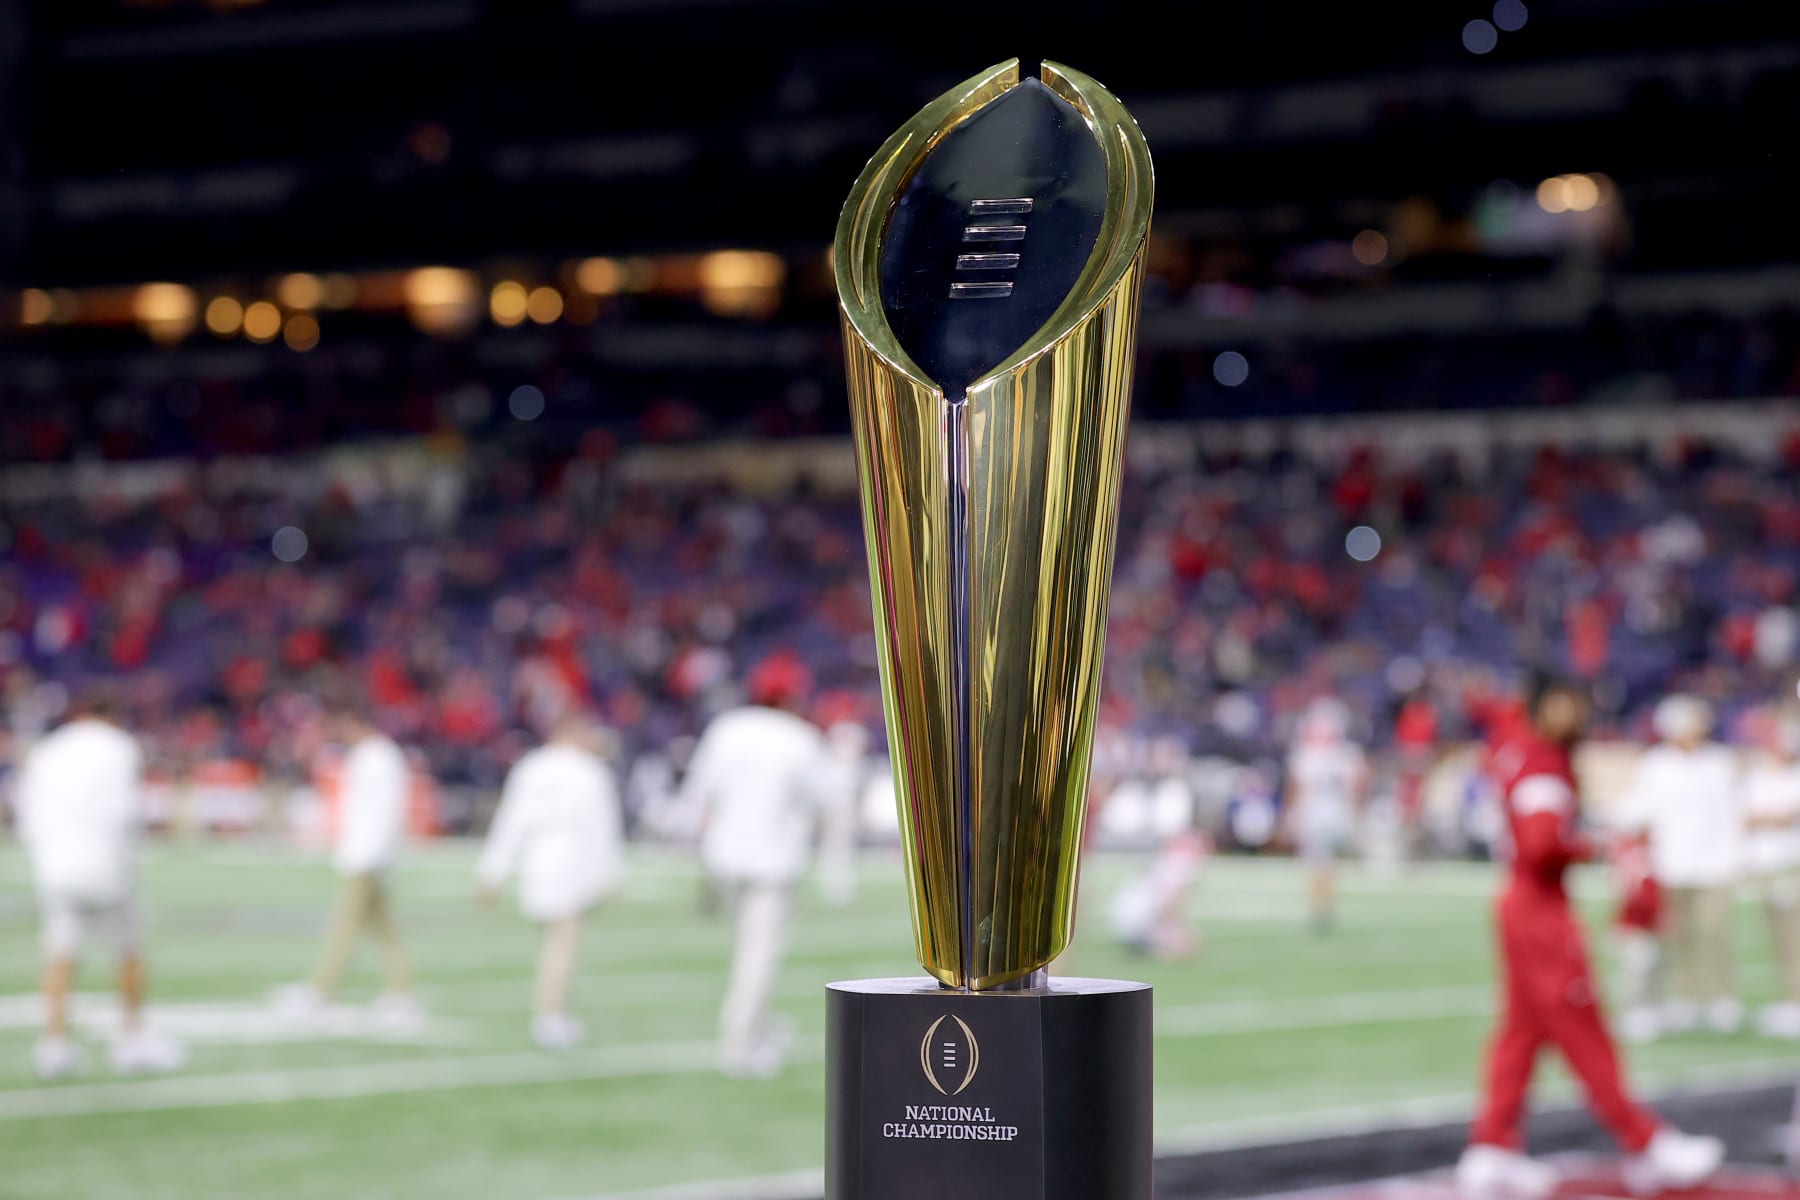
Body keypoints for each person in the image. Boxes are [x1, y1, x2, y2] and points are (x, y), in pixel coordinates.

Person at [1456, 678, 1722, 1199]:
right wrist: (1595, 844)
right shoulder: (1541, 759)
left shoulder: (1521, 751)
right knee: (1583, 1030)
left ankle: (1491, 1146)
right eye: (1564, 705)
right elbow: (1540, 845)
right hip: (1540, 912)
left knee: (1521, 1034)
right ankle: (1647, 1141)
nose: (1574, 716)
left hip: (1523, 905)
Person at [16, 695, 184, 1080]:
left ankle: (55, 1045)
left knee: (60, 952)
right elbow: (124, 812)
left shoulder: (48, 750)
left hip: (55, 865)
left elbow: (30, 813)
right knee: (128, 951)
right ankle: (132, 1040)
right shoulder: (119, 748)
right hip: (106, 865)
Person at [682, 659, 830, 1078]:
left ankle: (761, 1026)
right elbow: (825, 798)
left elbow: (700, 790)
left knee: (746, 951)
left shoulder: (727, 727)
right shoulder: (799, 738)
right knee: (758, 956)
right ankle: (739, 1043)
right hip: (772, 863)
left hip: (723, 859)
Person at [476, 711, 625, 1050]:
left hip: (537, 864)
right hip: (572, 866)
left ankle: (557, 1010)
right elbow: (604, 828)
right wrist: (610, 874)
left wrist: (492, 872)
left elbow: (510, 823)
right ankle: (551, 1015)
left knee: (554, 944)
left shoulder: (531, 767)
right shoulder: (590, 771)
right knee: (563, 945)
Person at [278, 704, 421, 1026]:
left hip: (368, 855)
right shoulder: (369, 756)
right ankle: (401, 993)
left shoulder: (380, 757)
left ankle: (321, 989)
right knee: (385, 930)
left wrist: (376, 855)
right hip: (365, 853)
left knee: (344, 926)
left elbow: (387, 811)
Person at [1620, 695, 1745, 1034]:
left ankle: (1720, 997)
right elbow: (1639, 811)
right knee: (1678, 937)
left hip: (1714, 864)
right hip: (1670, 865)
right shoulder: (1655, 765)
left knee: (1714, 933)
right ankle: (1686, 997)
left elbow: (1733, 812)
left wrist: (1735, 857)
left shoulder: (1719, 762)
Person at [1284, 699, 1366, 932]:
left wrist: (1291, 815)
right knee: (1328, 865)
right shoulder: (1347, 755)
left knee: (1316, 865)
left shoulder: (1309, 755)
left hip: (1316, 815)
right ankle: (1325, 906)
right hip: (1337, 815)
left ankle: (1318, 907)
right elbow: (1357, 789)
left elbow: (1297, 789)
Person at [1745, 706, 1800, 1040]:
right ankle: (1786, 999)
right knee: (1774, 936)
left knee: (1795, 937)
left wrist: (1774, 818)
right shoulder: (1757, 777)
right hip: (1766, 865)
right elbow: (1747, 817)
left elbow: (1788, 817)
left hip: (1792, 864)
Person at [1109, 830, 1211, 959]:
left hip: (1125, 921)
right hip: (1143, 922)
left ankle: (1148, 944)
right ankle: (1154, 946)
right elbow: (1169, 905)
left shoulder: (1164, 863)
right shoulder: (1185, 867)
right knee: (1187, 945)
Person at [1610, 831, 1664, 1044]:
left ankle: (1648, 1007)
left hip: (1648, 922)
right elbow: (1627, 891)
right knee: (1636, 968)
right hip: (1634, 923)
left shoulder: (1651, 854)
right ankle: (1633, 1009)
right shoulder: (1630, 856)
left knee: (1653, 967)